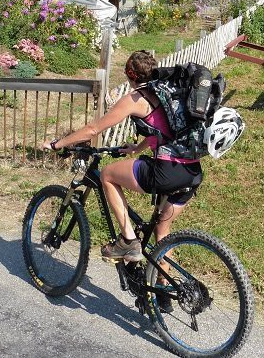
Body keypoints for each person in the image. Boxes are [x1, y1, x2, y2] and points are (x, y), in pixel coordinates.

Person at [42, 50, 202, 262]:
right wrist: (137, 148)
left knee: (107, 174)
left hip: (166, 171)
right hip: (191, 171)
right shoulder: (166, 92)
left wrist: (57, 144)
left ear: (130, 75)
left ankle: (128, 241)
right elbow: (166, 130)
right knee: (162, 236)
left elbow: (92, 129)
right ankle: (163, 293)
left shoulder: (136, 98)